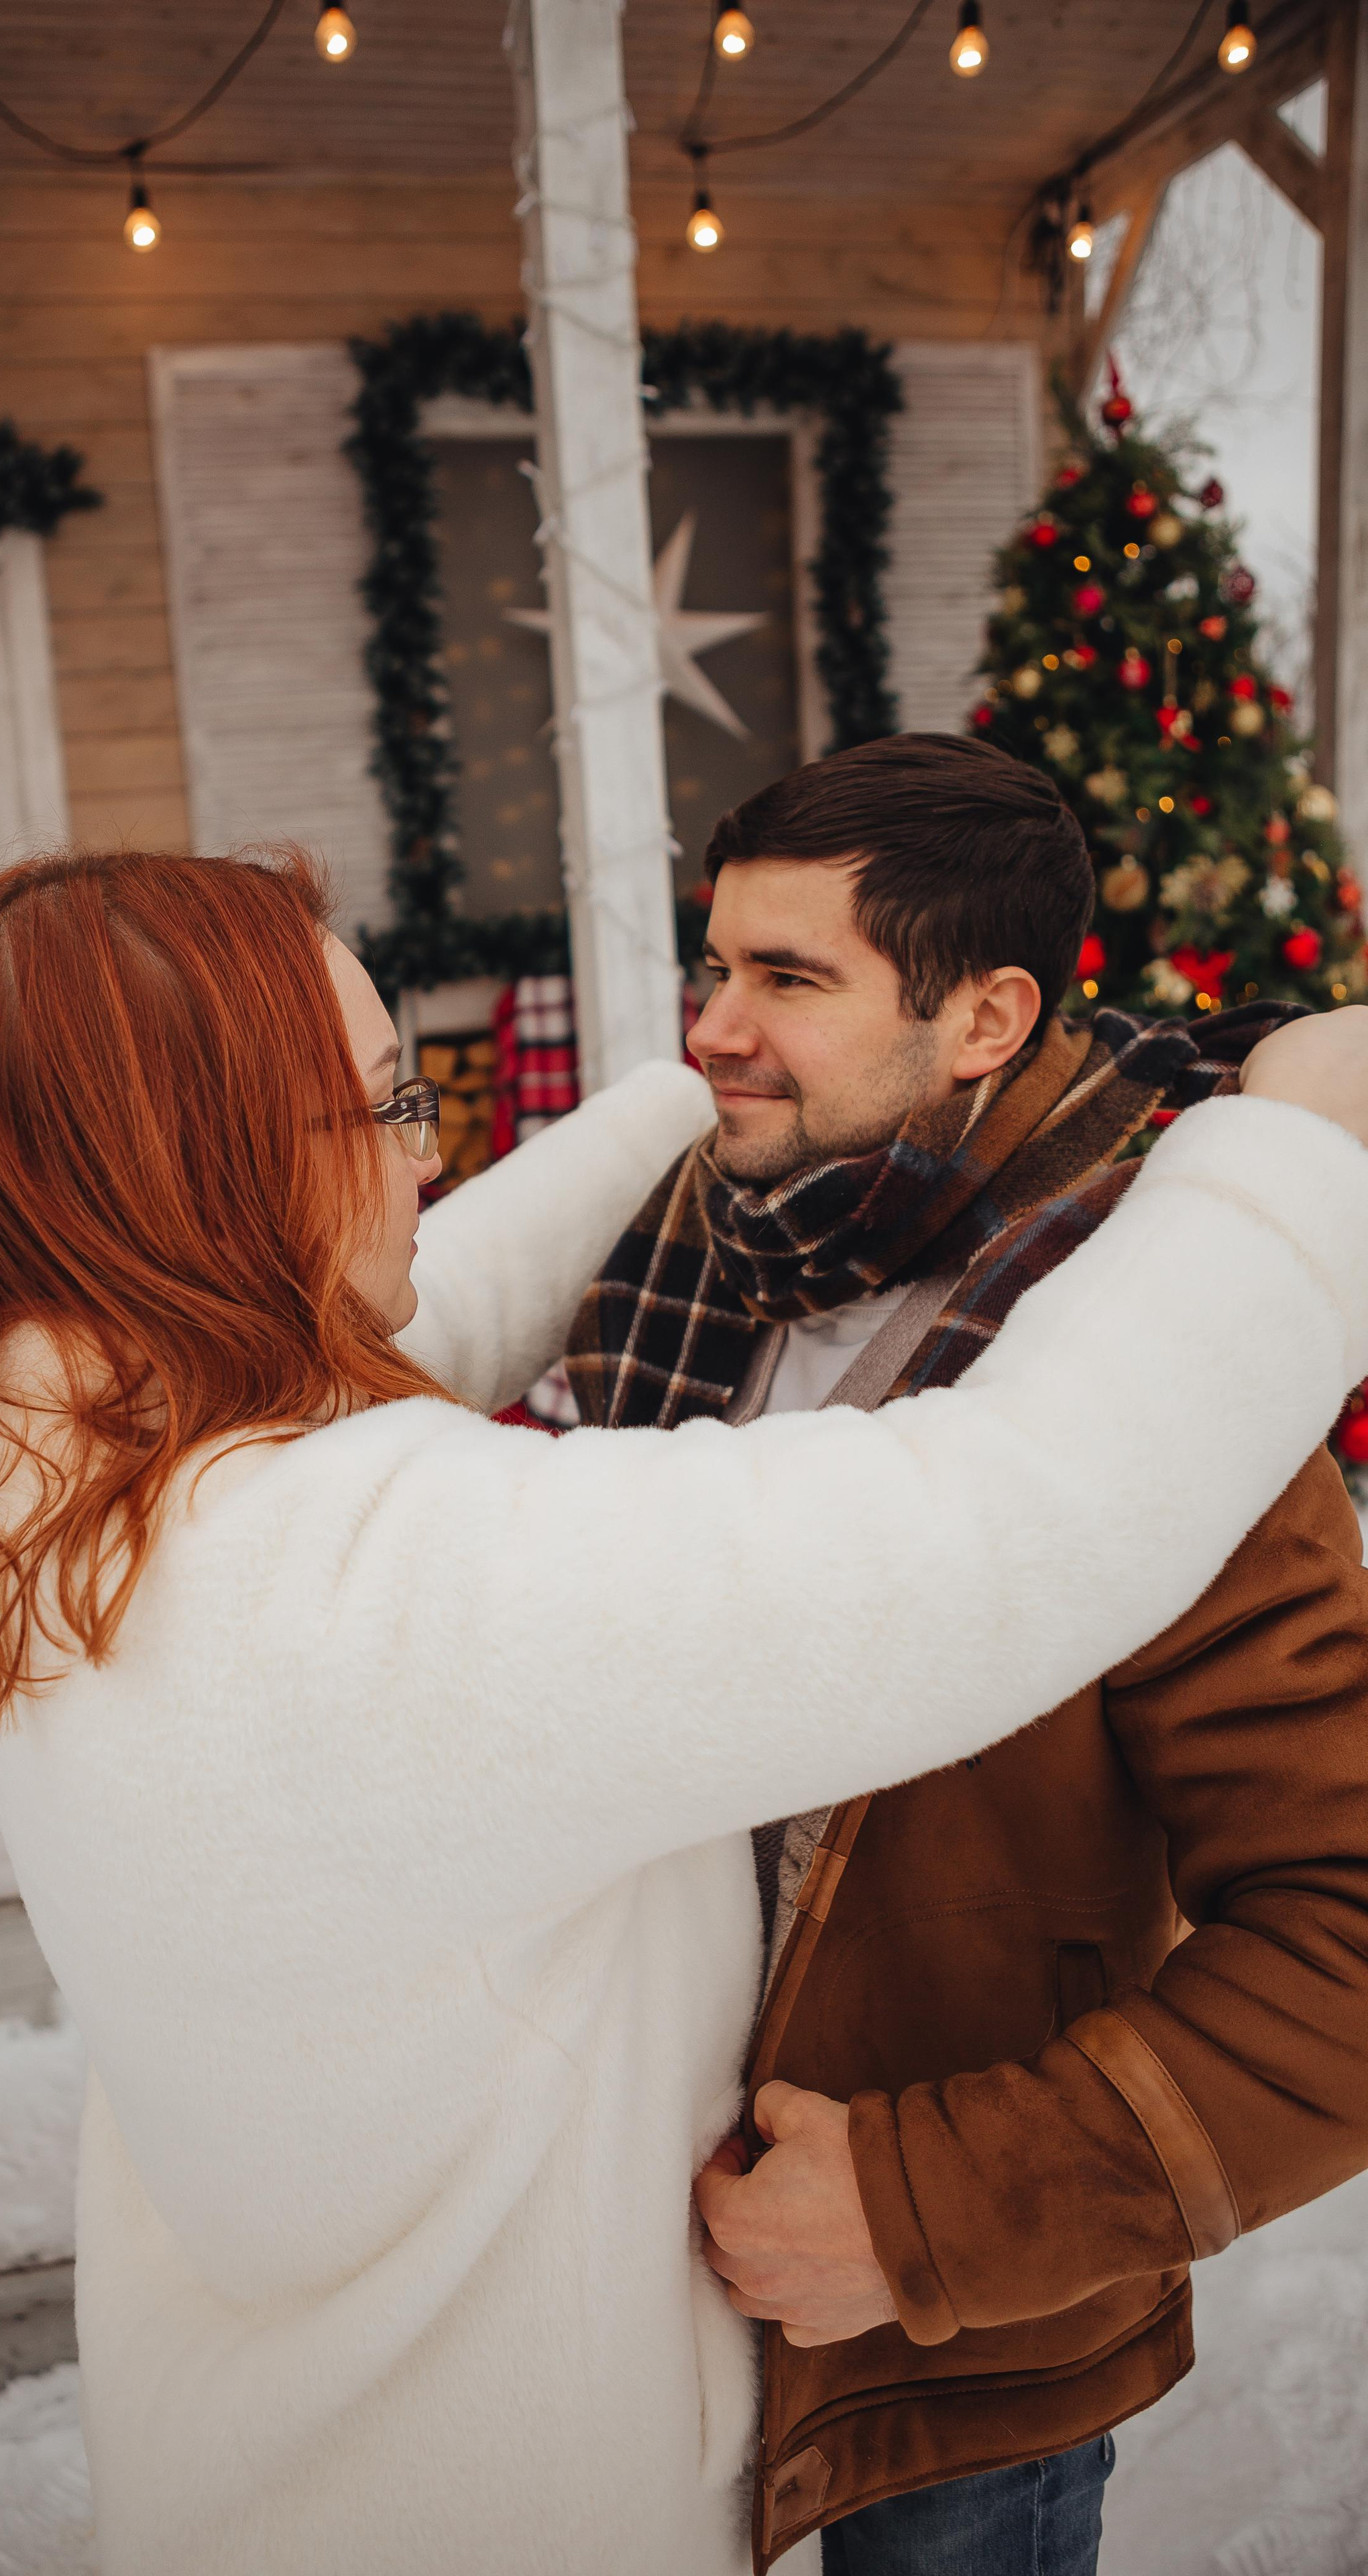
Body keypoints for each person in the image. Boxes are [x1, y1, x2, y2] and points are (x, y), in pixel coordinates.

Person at [0, 843, 1368, 2576]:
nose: (431, 1154)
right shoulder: (365, 1594)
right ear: (209, 1185)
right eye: (384, 1105)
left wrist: (718, 1080)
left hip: (261, 2463)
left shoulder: (41, 1450)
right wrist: (1296, 1166)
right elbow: (1004, 1529)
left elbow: (441, 1287)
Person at [562, 733, 1368, 2576]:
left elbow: (1351, 1934)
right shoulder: (700, 1250)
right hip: (642, 2266)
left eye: (789, 979)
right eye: (717, 965)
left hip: (950, 2349)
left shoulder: (1164, 1364)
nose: (710, 1030)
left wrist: (924, 2210)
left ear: (987, 1015)